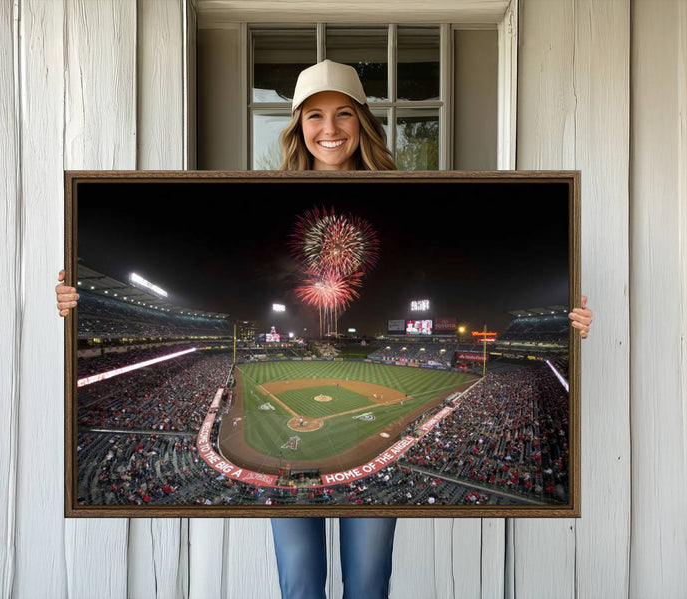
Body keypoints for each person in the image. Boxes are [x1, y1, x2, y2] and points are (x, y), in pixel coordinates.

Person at [54, 59, 594, 599]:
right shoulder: (267, 195)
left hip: (367, 492)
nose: (329, 129)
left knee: (367, 582)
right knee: (300, 582)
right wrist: (76, 299)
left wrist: (571, 323)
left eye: (343, 114)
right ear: (297, 126)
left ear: (362, 121)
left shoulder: (403, 192)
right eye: (314, 116)